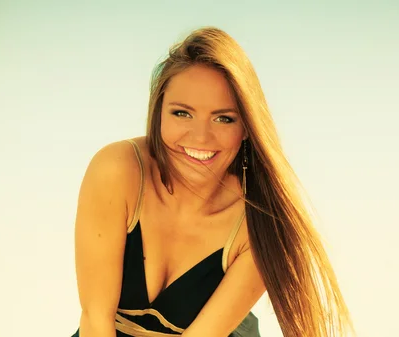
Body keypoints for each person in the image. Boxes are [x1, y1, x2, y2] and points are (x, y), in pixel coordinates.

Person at [71, 27, 353, 337]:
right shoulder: (117, 170)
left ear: (247, 127)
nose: (201, 137)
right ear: (159, 112)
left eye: (224, 118)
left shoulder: (263, 222)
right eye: (182, 113)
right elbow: (95, 318)